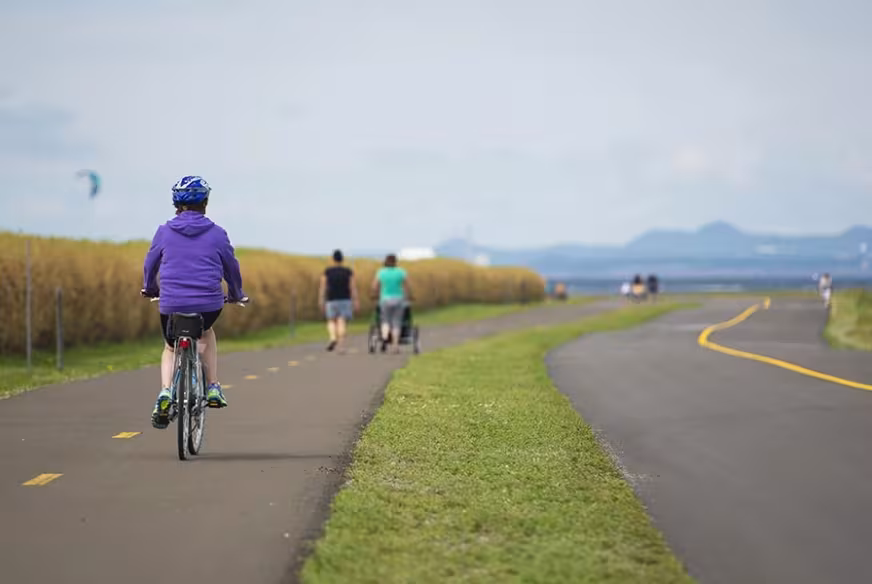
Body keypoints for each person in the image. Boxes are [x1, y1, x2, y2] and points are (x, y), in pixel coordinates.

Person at [142, 175, 247, 430]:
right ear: (206, 202)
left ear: (175, 204)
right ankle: (212, 386)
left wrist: (150, 288)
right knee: (206, 333)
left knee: (170, 347)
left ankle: (166, 392)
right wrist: (236, 293)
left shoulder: (164, 232)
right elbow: (231, 268)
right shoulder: (218, 234)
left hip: (171, 305)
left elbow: (150, 264)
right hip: (208, 306)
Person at [318, 249, 359, 353]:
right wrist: (356, 300)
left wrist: (321, 300)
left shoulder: (327, 271)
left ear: (333, 259)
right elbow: (352, 287)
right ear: (342, 259)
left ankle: (332, 337)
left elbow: (323, 287)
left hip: (331, 299)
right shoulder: (348, 271)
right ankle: (341, 345)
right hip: (345, 299)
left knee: (331, 320)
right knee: (342, 321)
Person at [371, 254, 412, 353]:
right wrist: (409, 295)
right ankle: (395, 346)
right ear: (395, 262)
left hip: (385, 299)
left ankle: (384, 338)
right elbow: (407, 286)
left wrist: (374, 294)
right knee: (396, 323)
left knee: (385, 321)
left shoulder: (381, 272)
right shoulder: (401, 272)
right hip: (398, 299)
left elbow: (374, 286)